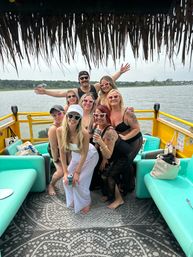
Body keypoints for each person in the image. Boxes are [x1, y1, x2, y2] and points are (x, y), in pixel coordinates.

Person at [57, 104, 99, 214]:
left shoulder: (84, 133)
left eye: (76, 117)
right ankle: (72, 200)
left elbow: (84, 154)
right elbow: (62, 152)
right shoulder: (60, 131)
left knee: (79, 180)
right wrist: (65, 172)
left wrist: (77, 172)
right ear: (66, 116)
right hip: (76, 157)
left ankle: (86, 202)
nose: (73, 119)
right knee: (67, 181)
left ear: (80, 119)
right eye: (70, 115)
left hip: (90, 156)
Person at [92, 105, 131, 209]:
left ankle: (119, 199)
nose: (98, 117)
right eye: (96, 115)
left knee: (109, 175)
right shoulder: (98, 126)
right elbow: (97, 145)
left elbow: (108, 153)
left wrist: (100, 141)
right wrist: (102, 160)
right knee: (101, 172)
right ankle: (109, 195)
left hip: (122, 157)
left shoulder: (110, 131)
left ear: (107, 116)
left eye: (102, 115)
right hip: (111, 156)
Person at [107, 89, 143, 194]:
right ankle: (124, 183)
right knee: (123, 162)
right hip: (122, 143)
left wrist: (125, 137)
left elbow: (136, 128)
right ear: (108, 100)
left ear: (120, 98)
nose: (113, 99)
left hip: (134, 140)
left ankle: (129, 187)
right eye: (110, 97)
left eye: (115, 96)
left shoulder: (127, 112)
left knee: (127, 162)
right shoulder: (108, 112)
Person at [34, 63, 130, 100]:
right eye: (82, 78)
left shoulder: (95, 87)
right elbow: (60, 93)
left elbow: (109, 80)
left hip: (96, 115)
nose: (84, 79)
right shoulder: (75, 91)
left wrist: (120, 72)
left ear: (89, 78)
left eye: (86, 77)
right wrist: (45, 91)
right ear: (79, 81)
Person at [47, 105, 65, 195]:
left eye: (59, 114)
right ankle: (51, 185)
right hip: (55, 152)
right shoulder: (53, 129)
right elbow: (53, 147)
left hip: (65, 150)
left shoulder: (66, 123)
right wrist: (56, 159)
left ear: (64, 113)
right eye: (54, 115)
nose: (57, 117)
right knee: (61, 171)